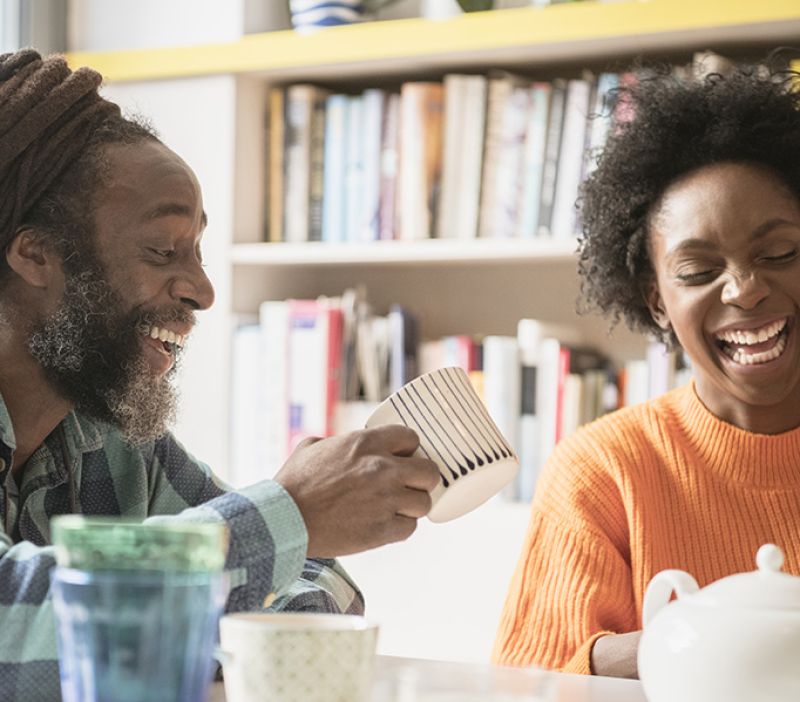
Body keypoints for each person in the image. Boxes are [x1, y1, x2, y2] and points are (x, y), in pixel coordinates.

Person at [0, 49, 440, 698]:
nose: (204, 291)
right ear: (36, 254)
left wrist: (268, 546)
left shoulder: (112, 444)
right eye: (163, 250)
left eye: (199, 249)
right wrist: (291, 511)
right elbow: (15, 621)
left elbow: (321, 585)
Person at [493, 61, 800, 678]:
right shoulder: (604, 470)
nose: (743, 290)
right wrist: (700, 639)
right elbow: (528, 680)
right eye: (696, 271)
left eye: (779, 253)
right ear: (656, 298)